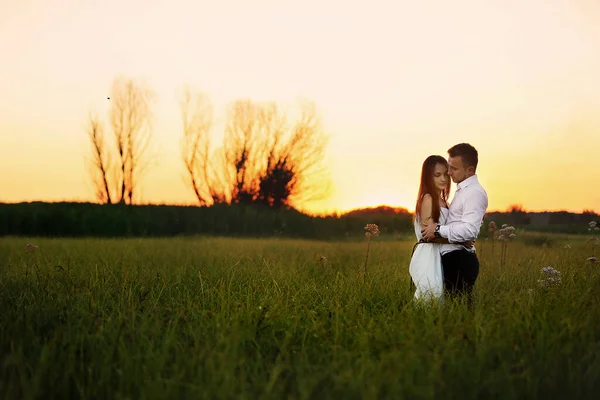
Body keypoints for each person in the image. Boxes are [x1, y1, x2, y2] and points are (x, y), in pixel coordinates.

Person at [421, 143, 488, 306]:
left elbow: (470, 231)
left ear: (470, 170)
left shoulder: (474, 193)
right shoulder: (462, 191)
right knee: (454, 307)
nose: (449, 173)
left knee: (460, 309)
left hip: (460, 259)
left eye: (454, 169)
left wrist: (437, 230)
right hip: (453, 257)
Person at [408, 155, 452, 301]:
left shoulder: (444, 201)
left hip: (440, 252)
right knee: (431, 296)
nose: (443, 179)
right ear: (428, 177)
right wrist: (460, 241)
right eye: (437, 175)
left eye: (446, 174)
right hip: (428, 254)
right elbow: (428, 235)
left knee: (443, 297)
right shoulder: (428, 198)